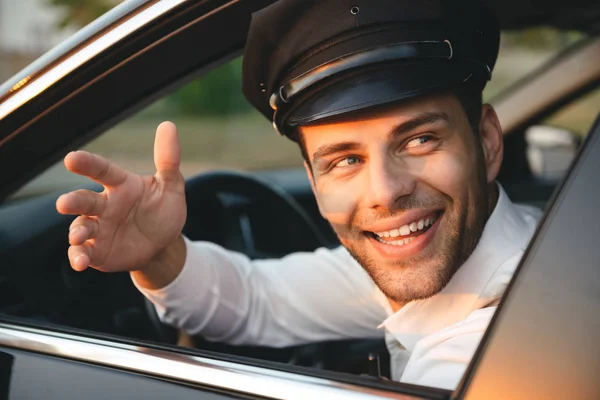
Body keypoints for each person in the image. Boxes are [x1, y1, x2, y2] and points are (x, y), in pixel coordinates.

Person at [55, 0, 542, 390]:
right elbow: (258, 301)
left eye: (419, 140)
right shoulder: (499, 247)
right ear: (313, 181)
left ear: (486, 142)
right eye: (345, 160)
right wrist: (160, 255)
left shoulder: (492, 359)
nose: (386, 192)